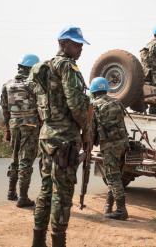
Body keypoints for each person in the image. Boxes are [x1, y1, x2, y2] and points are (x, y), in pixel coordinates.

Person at [30, 26, 90, 247]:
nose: (81, 47)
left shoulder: (43, 67)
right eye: (76, 43)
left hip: (47, 136)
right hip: (64, 139)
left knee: (46, 190)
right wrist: (86, 128)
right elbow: (75, 104)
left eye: (81, 43)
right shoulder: (67, 67)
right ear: (63, 43)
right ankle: (58, 243)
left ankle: (38, 241)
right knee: (62, 194)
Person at [0, 54, 40, 207]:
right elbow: (42, 107)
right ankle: (23, 197)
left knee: (15, 157)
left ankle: (11, 192)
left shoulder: (7, 85)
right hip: (30, 126)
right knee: (26, 161)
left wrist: (7, 129)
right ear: (32, 68)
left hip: (14, 124)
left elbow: (5, 109)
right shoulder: (33, 85)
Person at [89, 77, 129, 220]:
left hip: (110, 146)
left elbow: (92, 130)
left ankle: (121, 210)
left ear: (93, 91)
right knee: (116, 175)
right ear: (105, 89)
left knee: (112, 177)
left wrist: (90, 144)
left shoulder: (94, 106)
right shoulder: (117, 102)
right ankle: (109, 205)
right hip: (123, 145)